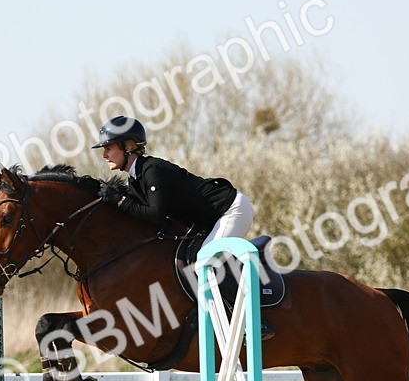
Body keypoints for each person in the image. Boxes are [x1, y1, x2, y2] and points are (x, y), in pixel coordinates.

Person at [91, 116, 273, 340]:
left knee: (205, 263)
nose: (104, 154)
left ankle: (256, 322)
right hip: (210, 220)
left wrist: (119, 201)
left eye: (108, 147)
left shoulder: (152, 170)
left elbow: (154, 216)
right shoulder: (135, 179)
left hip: (232, 210)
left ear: (128, 147)